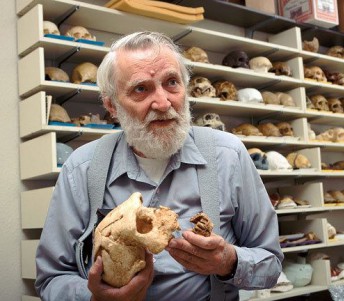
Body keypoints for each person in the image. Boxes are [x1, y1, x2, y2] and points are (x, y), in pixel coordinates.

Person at [35, 31, 283, 301]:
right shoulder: (81, 169)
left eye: (172, 82)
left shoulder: (228, 156)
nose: (164, 103)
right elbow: (51, 278)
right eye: (141, 89)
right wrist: (95, 298)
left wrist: (228, 261)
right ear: (112, 105)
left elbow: (271, 263)